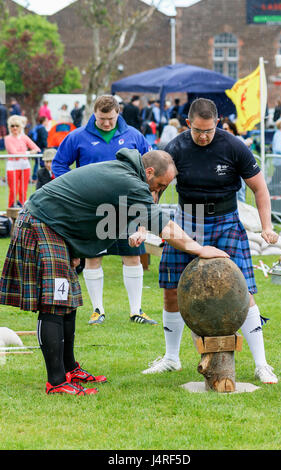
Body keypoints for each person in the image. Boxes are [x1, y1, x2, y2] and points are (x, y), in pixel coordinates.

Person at [0, 148, 228, 396]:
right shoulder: (130, 182)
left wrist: (74, 247)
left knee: (68, 301)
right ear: (149, 172)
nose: (160, 192)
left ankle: (69, 369)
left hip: (56, 226)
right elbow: (162, 224)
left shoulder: (126, 174)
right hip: (41, 222)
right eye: (161, 185)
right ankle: (56, 382)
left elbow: (84, 208)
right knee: (55, 302)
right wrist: (198, 248)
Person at [142, 98, 279, 385]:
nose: (203, 137)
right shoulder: (175, 148)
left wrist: (267, 226)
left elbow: (259, 187)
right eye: (198, 131)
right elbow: (153, 188)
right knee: (171, 290)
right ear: (188, 123)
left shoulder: (234, 146)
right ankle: (171, 358)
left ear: (217, 123)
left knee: (243, 291)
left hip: (226, 220)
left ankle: (262, 365)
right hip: (186, 220)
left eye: (209, 130)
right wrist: (143, 226)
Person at [52, 94, 155, 326]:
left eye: (110, 118)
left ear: (118, 113)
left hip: (126, 206)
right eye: (101, 119)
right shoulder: (77, 136)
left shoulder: (134, 135)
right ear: (94, 115)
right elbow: (59, 164)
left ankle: (136, 310)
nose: (106, 123)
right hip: (91, 208)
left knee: (132, 255)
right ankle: (98, 310)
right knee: (92, 257)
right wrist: (75, 189)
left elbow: (150, 164)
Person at [4, 115, 40, 208]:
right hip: (12, 166)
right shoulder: (7, 139)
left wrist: (28, 152)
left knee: (23, 190)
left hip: (25, 166)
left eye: (17, 125)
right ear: (9, 127)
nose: (15, 128)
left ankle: (22, 209)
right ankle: (11, 210)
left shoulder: (24, 137)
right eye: (12, 126)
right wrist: (28, 152)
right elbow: (14, 153)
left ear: (20, 126)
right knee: (13, 190)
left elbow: (36, 148)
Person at [222, 119, 253, 202]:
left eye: (226, 129)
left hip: (239, 173)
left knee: (240, 197)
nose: (223, 131)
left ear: (231, 129)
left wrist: (247, 143)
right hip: (228, 174)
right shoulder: (223, 141)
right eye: (223, 129)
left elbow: (246, 148)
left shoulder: (238, 139)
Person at [30, 116, 49, 182]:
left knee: (37, 163)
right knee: (41, 163)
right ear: (43, 121)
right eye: (46, 121)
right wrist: (46, 146)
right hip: (41, 148)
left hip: (36, 147)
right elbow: (44, 139)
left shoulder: (37, 128)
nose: (47, 122)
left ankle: (35, 177)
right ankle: (37, 178)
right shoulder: (43, 129)